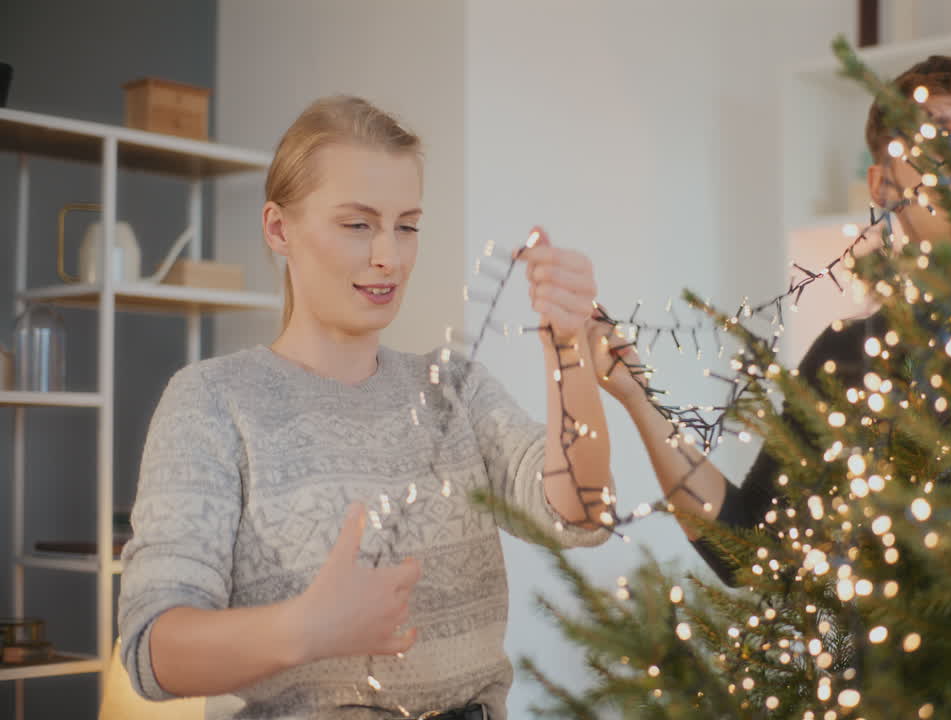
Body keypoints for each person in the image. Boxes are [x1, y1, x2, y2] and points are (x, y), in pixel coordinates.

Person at [118, 96, 613, 719]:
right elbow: (150, 650)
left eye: (407, 225)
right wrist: (304, 628)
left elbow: (582, 512)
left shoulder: (454, 389)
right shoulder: (213, 402)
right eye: (358, 225)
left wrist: (568, 354)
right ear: (279, 229)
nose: (391, 256)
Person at [587, 55, 951, 586]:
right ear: (882, 186)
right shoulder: (851, 354)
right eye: (941, 136)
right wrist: (638, 398)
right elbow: (745, 547)